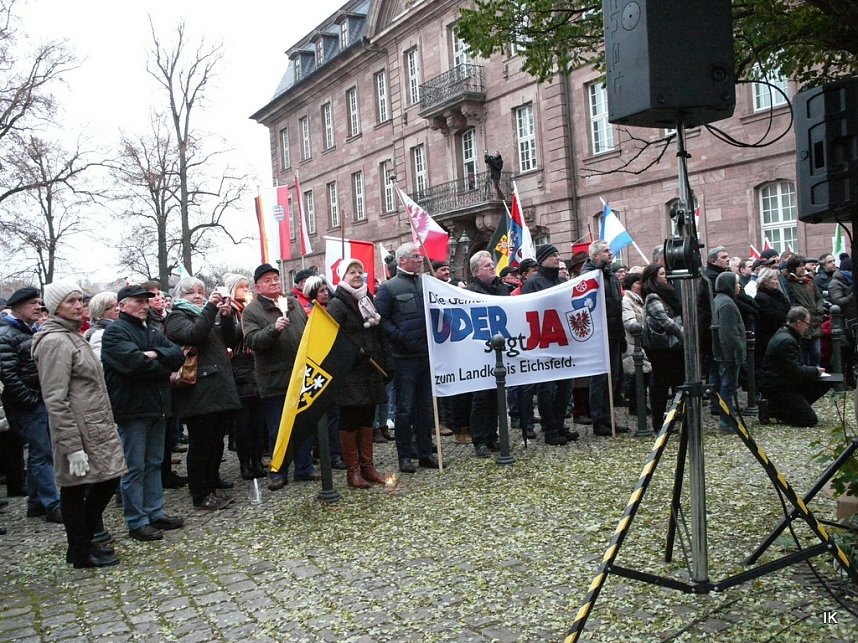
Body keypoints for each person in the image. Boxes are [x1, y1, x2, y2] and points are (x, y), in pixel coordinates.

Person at [32, 280, 127, 568]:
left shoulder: (73, 336)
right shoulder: (54, 342)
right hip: (77, 428)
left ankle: (81, 545)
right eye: (70, 302)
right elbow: (55, 398)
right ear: (54, 307)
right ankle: (80, 550)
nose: (78, 306)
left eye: (79, 300)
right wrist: (72, 446)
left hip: (95, 423)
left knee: (106, 479)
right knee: (76, 489)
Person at [101, 285, 187, 539]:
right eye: (138, 301)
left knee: (153, 463)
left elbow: (176, 356)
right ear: (121, 305)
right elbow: (135, 365)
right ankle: (136, 521)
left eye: (146, 301)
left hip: (156, 405)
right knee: (134, 466)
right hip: (132, 409)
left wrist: (154, 355)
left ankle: (155, 512)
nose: (144, 305)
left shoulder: (151, 329)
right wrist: (162, 364)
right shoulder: (115, 332)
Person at [165, 277, 242, 510]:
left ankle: (213, 480)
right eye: (191, 293)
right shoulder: (177, 317)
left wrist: (227, 318)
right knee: (201, 444)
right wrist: (210, 307)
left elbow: (229, 340)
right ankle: (200, 492)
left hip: (217, 387)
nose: (197, 296)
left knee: (216, 440)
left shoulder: (207, 314)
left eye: (200, 292)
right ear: (180, 297)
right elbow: (194, 335)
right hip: (198, 391)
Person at [242, 263, 318, 489]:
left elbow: (307, 332)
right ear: (258, 287)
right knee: (278, 429)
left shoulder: (292, 303)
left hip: (301, 375)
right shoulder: (252, 311)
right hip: (275, 379)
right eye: (267, 280)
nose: (274, 282)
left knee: (304, 424)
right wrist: (273, 330)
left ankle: (304, 468)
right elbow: (252, 341)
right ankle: (278, 471)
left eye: (276, 278)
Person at [375, 242, 439, 473]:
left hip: (426, 354)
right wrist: (402, 338)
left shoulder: (426, 283)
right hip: (404, 358)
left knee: (425, 408)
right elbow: (381, 321)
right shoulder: (389, 288)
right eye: (415, 256)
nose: (420, 259)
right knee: (405, 409)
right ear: (402, 261)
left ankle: (425, 452)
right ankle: (404, 455)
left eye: (420, 256)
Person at [327, 259, 392, 487]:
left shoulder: (367, 300)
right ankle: (352, 470)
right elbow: (333, 339)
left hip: (371, 369)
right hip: (350, 373)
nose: (356, 275)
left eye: (359, 271)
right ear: (342, 277)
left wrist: (386, 361)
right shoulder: (337, 304)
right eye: (351, 272)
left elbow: (379, 333)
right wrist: (353, 353)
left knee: (367, 418)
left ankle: (368, 466)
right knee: (350, 420)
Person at [0, 287, 62, 522]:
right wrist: (30, 398)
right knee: (42, 452)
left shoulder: (31, 331)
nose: (38, 307)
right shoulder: (7, 334)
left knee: (41, 451)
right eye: (32, 303)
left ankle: (36, 503)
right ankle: (51, 504)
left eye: (39, 302)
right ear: (17, 307)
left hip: (38, 399)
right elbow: (8, 374)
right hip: (27, 404)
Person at [522, 244, 578, 444]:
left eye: (557, 255)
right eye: (553, 255)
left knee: (565, 387)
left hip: (563, 341)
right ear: (542, 259)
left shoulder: (562, 281)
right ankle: (550, 429)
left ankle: (559, 424)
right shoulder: (533, 283)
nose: (557, 258)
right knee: (547, 389)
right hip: (544, 343)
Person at [222, 273, 268, 481]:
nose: (246, 290)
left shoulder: (253, 309)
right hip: (238, 367)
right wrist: (247, 324)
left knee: (259, 420)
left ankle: (258, 459)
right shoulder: (227, 311)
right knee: (243, 422)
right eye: (242, 287)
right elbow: (228, 337)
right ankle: (245, 463)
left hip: (255, 365)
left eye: (248, 286)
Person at [581, 240, 628, 436]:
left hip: (614, 331)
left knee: (613, 378)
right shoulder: (589, 274)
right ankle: (599, 421)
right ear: (595, 256)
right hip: (600, 334)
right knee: (599, 379)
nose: (611, 253)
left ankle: (609, 418)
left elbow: (617, 305)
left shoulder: (611, 275)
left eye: (610, 250)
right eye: (606, 251)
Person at [466, 251, 509, 457]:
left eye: (492, 264)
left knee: (497, 396)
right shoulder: (470, 292)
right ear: (476, 271)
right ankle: (480, 439)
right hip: (479, 351)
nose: (492, 267)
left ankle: (493, 436)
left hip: (500, 350)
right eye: (487, 265)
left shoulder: (501, 288)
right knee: (481, 397)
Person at [758, 306, 832, 427]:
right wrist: (815, 371)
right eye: (806, 323)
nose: (807, 327)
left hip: (782, 381)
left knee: (824, 381)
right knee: (809, 420)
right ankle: (773, 409)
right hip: (778, 386)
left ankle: (794, 407)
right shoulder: (787, 340)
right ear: (798, 323)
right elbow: (794, 371)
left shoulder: (784, 333)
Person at [640, 264, 684, 429]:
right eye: (662, 274)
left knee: (676, 379)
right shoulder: (653, 296)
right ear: (654, 278)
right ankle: (659, 421)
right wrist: (682, 333)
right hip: (661, 346)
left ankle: (675, 416)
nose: (666, 277)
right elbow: (664, 320)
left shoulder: (669, 293)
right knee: (661, 382)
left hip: (673, 346)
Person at [712, 271, 746, 432]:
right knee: (728, 386)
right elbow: (729, 332)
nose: (739, 287)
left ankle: (727, 418)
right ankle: (726, 421)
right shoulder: (727, 304)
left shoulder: (721, 300)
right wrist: (738, 351)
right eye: (737, 284)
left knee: (726, 385)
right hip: (728, 353)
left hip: (724, 352)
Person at [780, 255, 824, 365]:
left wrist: (819, 310)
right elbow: (790, 301)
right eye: (800, 266)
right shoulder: (788, 282)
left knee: (816, 353)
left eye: (804, 265)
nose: (803, 268)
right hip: (801, 322)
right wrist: (801, 313)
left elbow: (818, 297)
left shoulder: (809, 280)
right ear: (793, 268)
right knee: (802, 355)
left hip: (814, 322)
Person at [621, 272, 651, 415]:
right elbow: (629, 321)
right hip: (633, 342)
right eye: (638, 283)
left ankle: (639, 405)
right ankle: (637, 407)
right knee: (638, 376)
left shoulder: (639, 300)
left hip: (640, 342)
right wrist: (641, 330)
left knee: (642, 376)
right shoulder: (627, 300)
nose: (641, 285)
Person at [753, 267, 790, 381]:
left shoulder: (777, 295)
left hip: (777, 333)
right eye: (774, 279)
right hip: (767, 337)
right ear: (765, 281)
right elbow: (772, 316)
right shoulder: (761, 297)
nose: (776, 281)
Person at [84, 291, 120, 359]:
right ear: (100, 312)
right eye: (111, 307)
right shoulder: (98, 334)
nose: (118, 309)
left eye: (118, 305)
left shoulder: (122, 327)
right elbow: (103, 362)